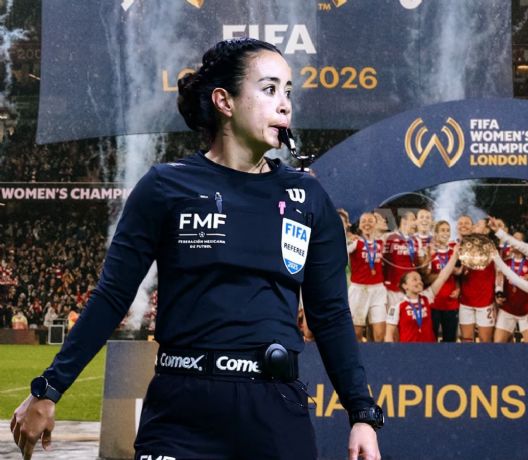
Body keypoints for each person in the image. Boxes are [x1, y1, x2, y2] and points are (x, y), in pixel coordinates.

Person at [10, 38, 381, 460]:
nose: (286, 105)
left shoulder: (308, 197)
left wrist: (362, 413)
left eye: (289, 91)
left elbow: (329, 314)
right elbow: (112, 295)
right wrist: (49, 388)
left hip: (274, 412)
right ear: (224, 101)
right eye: (270, 88)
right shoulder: (165, 186)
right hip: (180, 412)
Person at [385, 247, 459, 342]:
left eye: (420, 280)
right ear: (405, 286)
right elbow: (389, 335)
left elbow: (443, 277)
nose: (419, 282)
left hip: (429, 350)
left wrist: (454, 256)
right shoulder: (397, 306)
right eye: (415, 279)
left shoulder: (427, 297)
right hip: (409, 352)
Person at [456, 215, 497, 343]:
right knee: (466, 341)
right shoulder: (459, 246)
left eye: (476, 225)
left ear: (486, 231)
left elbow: (499, 272)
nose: (473, 227)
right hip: (466, 300)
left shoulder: (492, 247)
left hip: (485, 301)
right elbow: (457, 273)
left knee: (485, 341)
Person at [347, 213, 387, 342]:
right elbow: (340, 251)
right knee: (356, 334)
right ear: (359, 225)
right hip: (359, 289)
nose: (367, 223)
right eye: (363, 221)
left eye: (370, 221)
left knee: (380, 335)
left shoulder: (382, 242)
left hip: (378, 290)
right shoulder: (355, 242)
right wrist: (347, 238)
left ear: (375, 224)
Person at [423, 220, 461, 343]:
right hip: (433, 303)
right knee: (431, 339)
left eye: (448, 230)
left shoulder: (454, 252)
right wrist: (446, 271)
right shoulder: (430, 252)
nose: (446, 233)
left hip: (451, 303)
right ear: (436, 233)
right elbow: (426, 278)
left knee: (450, 341)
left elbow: (459, 275)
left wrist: (458, 288)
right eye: (442, 230)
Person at [493, 232, 528, 343]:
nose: (512, 242)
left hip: (526, 311)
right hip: (507, 309)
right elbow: (499, 280)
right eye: (511, 239)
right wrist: (498, 293)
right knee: (498, 344)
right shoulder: (505, 262)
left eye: (516, 239)